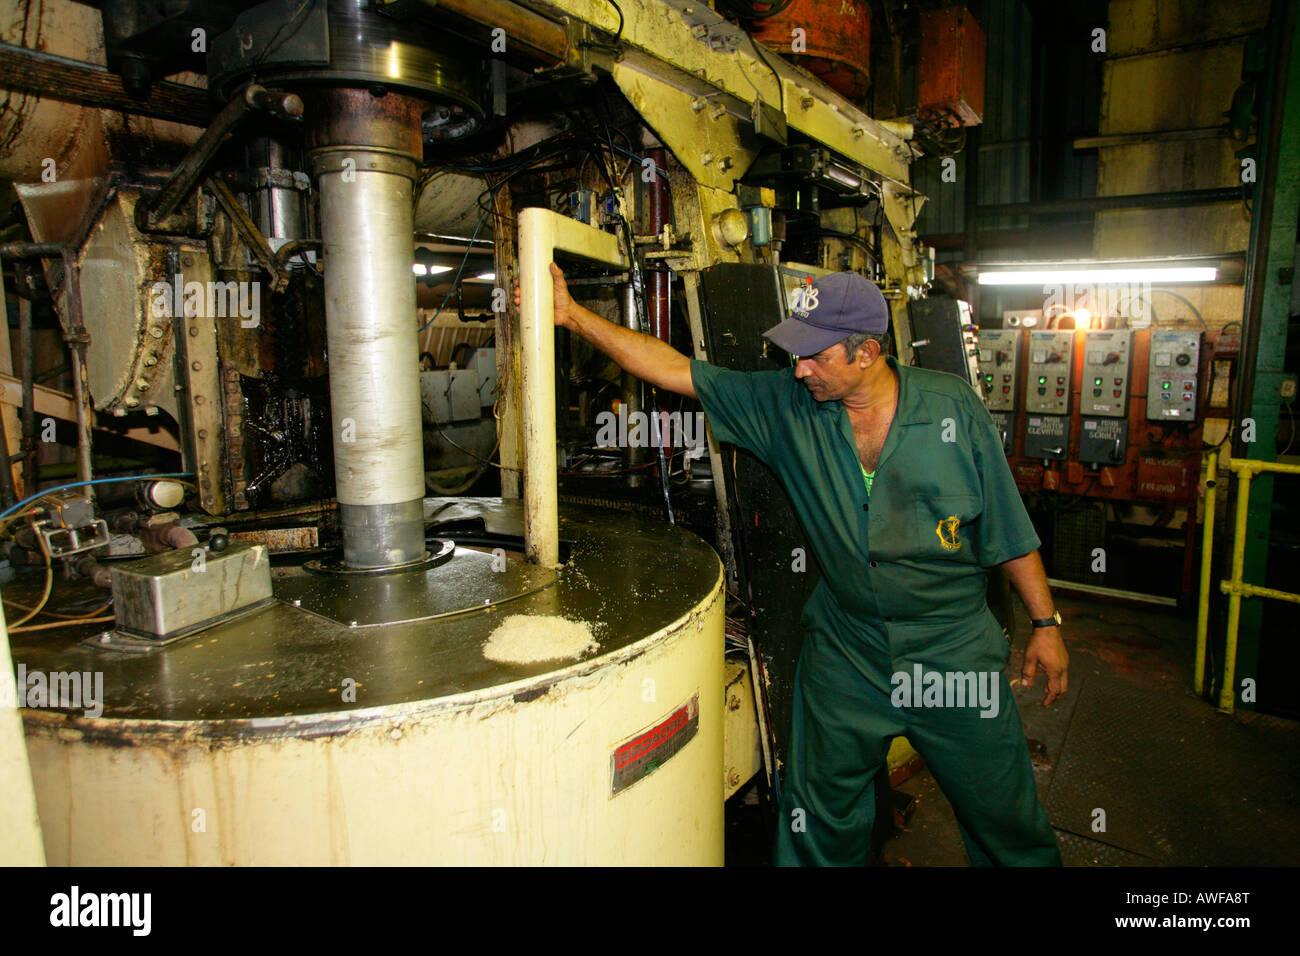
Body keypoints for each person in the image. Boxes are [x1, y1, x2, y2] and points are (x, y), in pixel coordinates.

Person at [517, 264, 1068, 866]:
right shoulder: (786, 404)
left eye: (815, 356)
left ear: (868, 352)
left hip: (952, 649)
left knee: (1005, 820)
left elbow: (1009, 529)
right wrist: (573, 317)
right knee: (817, 823)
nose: (799, 368)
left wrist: (1046, 626)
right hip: (847, 651)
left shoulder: (951, 409)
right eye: (795, 354)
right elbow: (674, 369)